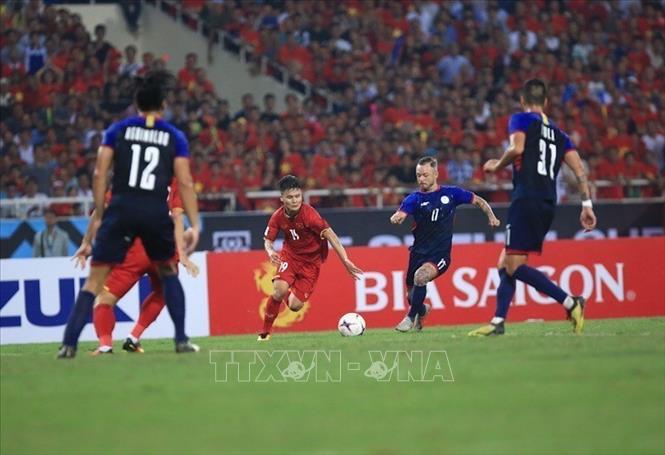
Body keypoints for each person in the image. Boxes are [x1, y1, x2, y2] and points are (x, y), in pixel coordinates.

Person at [57, 70, 201, 358]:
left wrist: (100, 215)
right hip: (154, 213)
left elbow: (100, 173)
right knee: (168, 276)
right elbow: (184, 182)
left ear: (136, 105)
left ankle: (69, 345)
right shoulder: (174, 136)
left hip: (121, 209)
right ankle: (181, 341)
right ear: (162, 106)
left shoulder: (117, 131)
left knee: (95, 282)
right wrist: (195, 225)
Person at [468, 79, 597, 337]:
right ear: (546, 102)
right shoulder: (561, 135)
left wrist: (496, 165)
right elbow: (580, 171)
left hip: (526, 198)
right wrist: (586, 204)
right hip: (548, 203)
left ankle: (571, 302)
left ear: (523, 101)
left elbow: (517, 148)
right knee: (506, 262)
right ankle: (498, 321)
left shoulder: (521, 120)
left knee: (513, 265)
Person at [72, 178, 199, 355]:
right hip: (163, 247)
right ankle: (134, 337)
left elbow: (101, 209)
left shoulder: (131, 172)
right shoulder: (175, 177)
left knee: (104, 300)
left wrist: (87, 242)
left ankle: (105, 346)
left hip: (136, 248)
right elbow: (177, 216)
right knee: (164, 292)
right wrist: (183, 255)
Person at [390, 156, 501, 332]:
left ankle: (410, 318)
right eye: (418, 175)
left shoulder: (451, 193)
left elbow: (479, 201)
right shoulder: (414, 199)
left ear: (436, 173)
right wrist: (398, 217)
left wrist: (492, 216)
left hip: (440, 255)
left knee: (421, 277)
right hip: (417, 254)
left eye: (425, 175)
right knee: (412, 296)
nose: (421, 179)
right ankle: (422, 310)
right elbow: (402, 212)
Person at [259, 175, 363, 341]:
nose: (294, 201)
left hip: (311, 263)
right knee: (279, 291)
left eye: (297, 196)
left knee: (294, 306)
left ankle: (287, 287)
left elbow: (332, 236)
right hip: (290, 257)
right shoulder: (277, 217)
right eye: (290, 197)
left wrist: (346, 260)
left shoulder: (310, 216)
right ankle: (264, 333)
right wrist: (270, 251)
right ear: (282, 199)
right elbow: (267, 240)